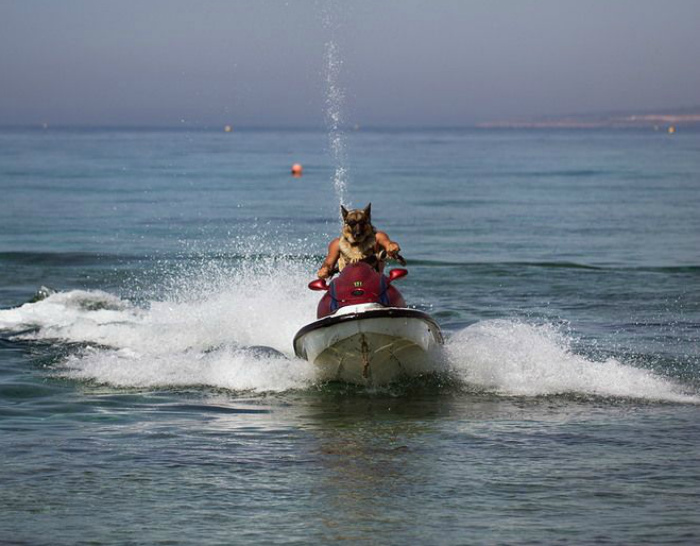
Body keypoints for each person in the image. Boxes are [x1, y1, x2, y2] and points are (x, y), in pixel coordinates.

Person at [317, 203, 401, 279]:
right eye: (353, 224)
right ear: (346, 225)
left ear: (368, 223)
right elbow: (328, 263)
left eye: (362, 224)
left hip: (374, 283)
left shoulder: (377, 237)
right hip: (347, 285)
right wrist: (324, 270)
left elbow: (388, 243)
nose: (358, 230)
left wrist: (392, 246)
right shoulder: (337, 244)